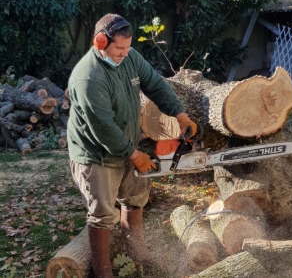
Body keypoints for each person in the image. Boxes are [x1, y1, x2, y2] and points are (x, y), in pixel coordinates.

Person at [67, 14, 197, 278]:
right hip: (96, 154)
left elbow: (155, 84)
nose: (125, 54)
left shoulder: (130, 57)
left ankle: (138, 255)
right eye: (118, 49)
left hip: (127, 143)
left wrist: (179, 114)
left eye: (127, 48)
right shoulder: (89, 77)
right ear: (100, 42)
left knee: (135, 199)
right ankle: (103, 272)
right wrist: (135, 155)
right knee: (102, 213)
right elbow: (103, 128)